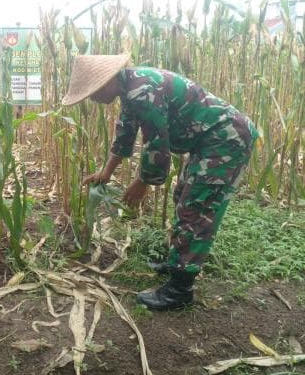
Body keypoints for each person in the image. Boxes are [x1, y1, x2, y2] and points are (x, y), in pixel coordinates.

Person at [62, 55, 258, 310]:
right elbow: (125, 134)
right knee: (183, 197)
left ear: (106, 82)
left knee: (196, 208)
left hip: (227, 138)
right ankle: (178, 260)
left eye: (92, 92)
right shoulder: (130, 88)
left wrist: (142, 182)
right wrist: (106, 172)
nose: (92, 99)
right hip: (208, 140)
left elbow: (156, 143)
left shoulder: (142, 90)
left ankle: (179, 290)